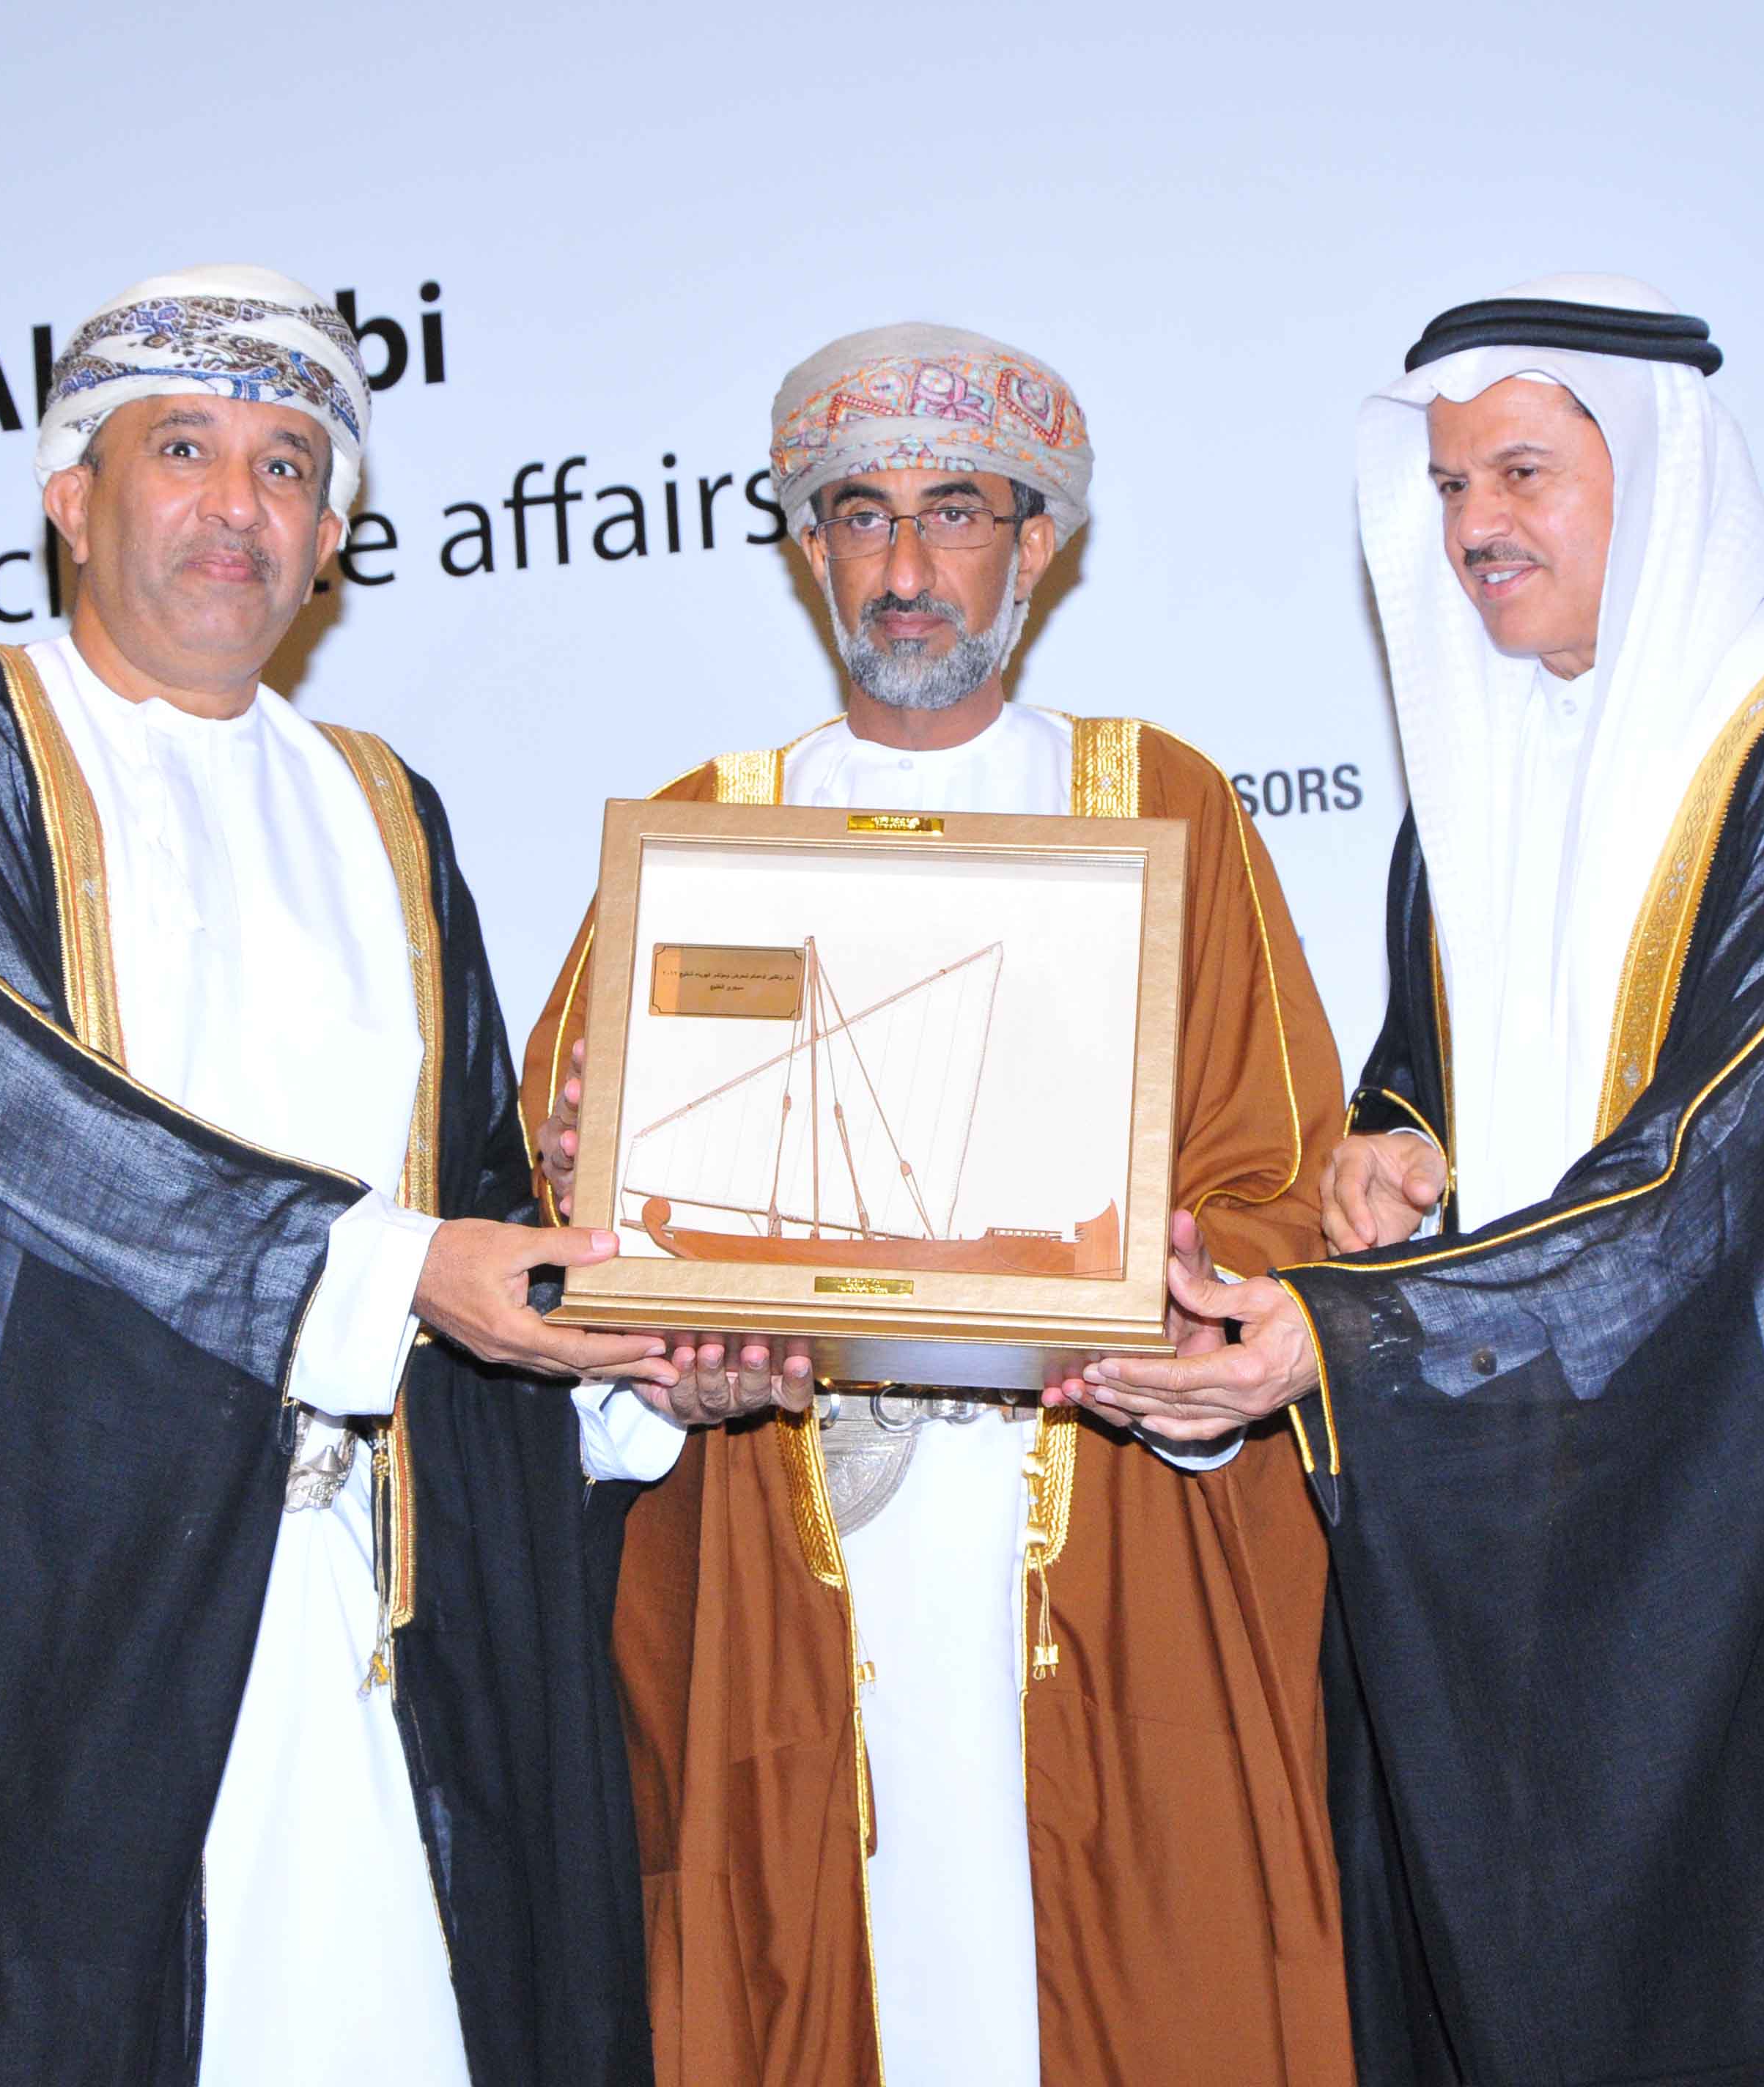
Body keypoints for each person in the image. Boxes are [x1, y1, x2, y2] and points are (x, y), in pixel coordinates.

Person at [1069, 276, 1764, 2084]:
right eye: (1446, 487)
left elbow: (1715, 1163)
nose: (1473, 527)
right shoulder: (1475, 773)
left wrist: (1342, 1334)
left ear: (1655, 477)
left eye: (1520, 472)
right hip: (1541, 1525)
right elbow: (1435, 1067)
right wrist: (1392, 1153)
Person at [0, 265, 674, 2087]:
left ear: (332, 539)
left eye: (288, 465)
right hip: (60, 1636)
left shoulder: (382, 806)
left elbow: (475, 1197)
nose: (240, 504)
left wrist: (626, 1350)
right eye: (184, 450)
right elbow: (8, 1123)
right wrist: (402, 1271)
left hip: (357, 1613)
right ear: (69, 499)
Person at [523, 323, 1356, 2087]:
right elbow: (561, 1234)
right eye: (860, 515)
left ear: (1033, 544)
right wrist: (653, 1330)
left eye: (954, 512)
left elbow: (1274, 1174)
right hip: (796, 1545)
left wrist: (1188, 1317)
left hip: (1099, 1535)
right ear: (806, 547)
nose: (904, 567)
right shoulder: (701, 835)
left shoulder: (1165, 803)